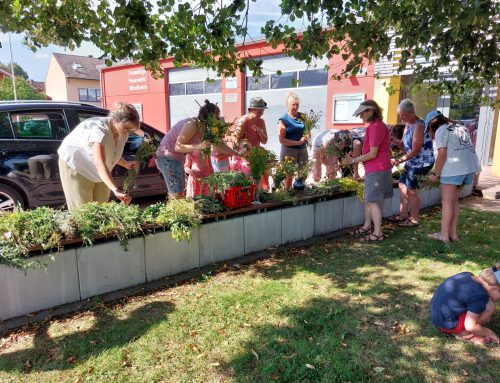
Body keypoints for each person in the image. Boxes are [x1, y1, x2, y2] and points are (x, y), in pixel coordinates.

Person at [58, 102, 143, 210]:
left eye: (130, 130)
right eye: (126, 128)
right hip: (77, 165)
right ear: (116, 120)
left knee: (101, 208)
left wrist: (125, 163)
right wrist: (115, 190)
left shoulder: (122, 133)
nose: (127, 132)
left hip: (99, 169)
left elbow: (111, 152)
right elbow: (99, 163)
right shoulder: (99, 130)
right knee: (84, 212)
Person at [156, 100, 243, 199]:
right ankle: (173, 213)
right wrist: (200, 146)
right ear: (210, 118)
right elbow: (178, 147)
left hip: (177, 158)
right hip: (167, 156)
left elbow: (218, 144)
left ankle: (176, 212)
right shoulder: (192, 124)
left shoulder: (206, 128)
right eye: (217, 117)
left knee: (179, 193)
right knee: (176, 193)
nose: (218, 120)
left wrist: (237, 153)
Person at [425, 110, 481, 243]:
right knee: (454, 201)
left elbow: (442, 154)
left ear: (432, 124)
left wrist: (434, 174)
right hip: (469, 167)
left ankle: (444, 236)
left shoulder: (441, 130)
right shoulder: (461, 127)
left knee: (446, 202)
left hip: (454, 169)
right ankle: (453, 235)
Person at [341, 100, 393, 241]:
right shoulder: (376, 126)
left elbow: (372, 154)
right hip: (375, 168)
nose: (360, 117)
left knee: (372, 201)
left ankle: (377, 233)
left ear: (370, 111)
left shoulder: (376, 127)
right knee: (370, 199)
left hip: (377, 168)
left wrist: (351, 160)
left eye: (362, 113)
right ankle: (367, 226)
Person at [389, 99, 435, 226]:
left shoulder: (419, 125)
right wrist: (394, 141)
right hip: (413, 160)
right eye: (400, 116)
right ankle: (403, 215)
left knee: (411, 189)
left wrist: (399, 160)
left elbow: (415, 150)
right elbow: (405, 146)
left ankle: (414, 218)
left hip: (423, 162)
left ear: (411, 113)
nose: (401, 119)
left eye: (403, 116)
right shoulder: (408, 125)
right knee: (402, 185)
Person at [430, 263, 500, 344]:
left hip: (437, 316)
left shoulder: (467, 275)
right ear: (495, 289)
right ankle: (464, 333)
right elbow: (470, 326)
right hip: (447, 325)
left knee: (484, 308)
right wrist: (490, 333)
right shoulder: (479, 296)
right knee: (490, 306)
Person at [231, 97, 270, 189]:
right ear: (252, 109)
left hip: (255, 157)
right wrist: (245, 148)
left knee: (258, 180)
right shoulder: (243, 120)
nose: (262, 113)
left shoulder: (261, 121)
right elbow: (235, 141)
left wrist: (260, 132)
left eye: (262, 110)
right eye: (259, 111)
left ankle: (257, 196)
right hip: (242, 157)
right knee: (245, 183)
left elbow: (264, 141)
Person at [278, 92, 308, 188]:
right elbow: (282, 140)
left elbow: (308, 131)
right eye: (293, 104)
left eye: (297, 104)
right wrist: (297, 142)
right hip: (288, 151)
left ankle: (299, 192)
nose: (295, 107)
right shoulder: (283, 119)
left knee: (303, 173)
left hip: (302, 150)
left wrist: (306, 137)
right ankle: (288, 194)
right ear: (288, 105)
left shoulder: (302, 117)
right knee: (288, 175)